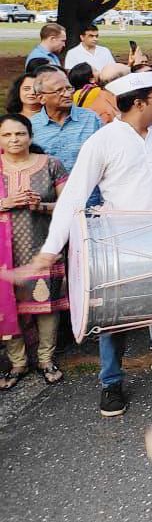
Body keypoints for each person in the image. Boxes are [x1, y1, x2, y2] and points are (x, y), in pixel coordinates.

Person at [24, 72, 152, 417]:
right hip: (121, 243)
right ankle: (111, 382)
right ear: (138, 103)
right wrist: (51, 247)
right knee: (116, 316)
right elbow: (73, 197)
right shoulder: (102, 142)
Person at [0, 114, 68, 389]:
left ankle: (45, 359)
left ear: (30, 135)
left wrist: (40, 205)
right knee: (7, 305)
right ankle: (17, 363)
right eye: (7, 135)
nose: (14, 140)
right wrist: (6, 202)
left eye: (20, 134)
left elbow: (68, 206)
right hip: (5, 254)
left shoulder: (51, 165)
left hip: (41, 247)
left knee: (45, 305)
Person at [30, 68, 103, 174]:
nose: (67, 94)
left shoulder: (92, 119)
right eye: (59, 91)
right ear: (41, 98)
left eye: (69, 88)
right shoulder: (31, 126)